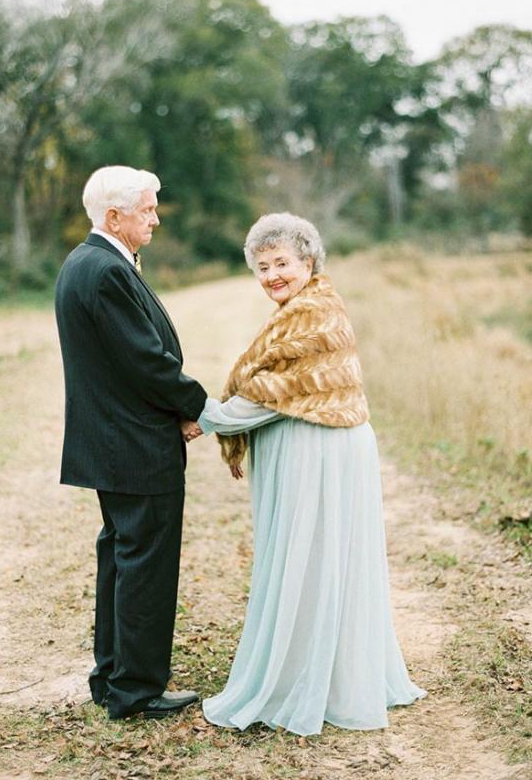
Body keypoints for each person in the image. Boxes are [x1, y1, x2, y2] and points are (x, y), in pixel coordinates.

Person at [192, 212, 426, 736]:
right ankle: (317, 672)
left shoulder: (315, 314)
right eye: (262, 266)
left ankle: (309, 682)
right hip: (311, 447)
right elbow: (275, 388)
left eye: (282, 263)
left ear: (309, 262)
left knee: (314, 560)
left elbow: (279, 395)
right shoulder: (297, 309)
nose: (273, 275)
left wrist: (207, 417)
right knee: (311, 559)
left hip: (320, 450)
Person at [54, 165, 206, 721]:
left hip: (118, 441)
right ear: (113, 216)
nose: (156, 217)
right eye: (147, 209)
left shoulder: (88, 263)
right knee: (143, 564)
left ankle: (113, 676)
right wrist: (194, 406)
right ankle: (137, 690)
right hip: (135, 445)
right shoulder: (103, 271)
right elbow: (144, 361)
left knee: (121, 559)